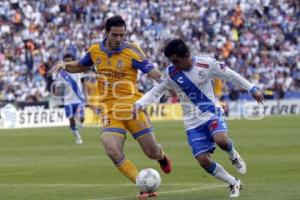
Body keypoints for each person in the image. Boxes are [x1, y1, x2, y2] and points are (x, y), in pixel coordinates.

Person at [48, 15, 171, 199]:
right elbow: (80, 66)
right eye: (115, 35)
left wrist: (167, 86)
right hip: (109, 110)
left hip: (133, 107)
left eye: (122, 35)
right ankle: (143, 184)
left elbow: (153, 72)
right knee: (111, 148)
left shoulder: (133, 51)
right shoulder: (95, 49)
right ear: (106, 33)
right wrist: (64, 66)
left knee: (151, 151)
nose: (119, 39)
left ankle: (161, 156)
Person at [135, 39, 265, 198]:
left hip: (211, 112)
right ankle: (233, 182)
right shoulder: (171, 73)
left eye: (176, 61)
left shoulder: (207, 64)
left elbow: (230, 75)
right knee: (203, 160)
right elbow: (156, 91)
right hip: (192, 123)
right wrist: (139, 104)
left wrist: (251, 88)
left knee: (222, 140)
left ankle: (233, 155)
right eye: (172, 62)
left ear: (186, 55)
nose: (174, 65)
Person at [52, 54, 85, 144]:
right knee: (71, 119)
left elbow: (83, 83)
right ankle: (77, 136)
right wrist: (56, 94)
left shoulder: (78, 71)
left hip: (79, 99)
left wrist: (86, 94)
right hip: (68, 100)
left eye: (70, 60)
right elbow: (58, 87)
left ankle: (80, 124)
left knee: (82, 118)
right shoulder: (61, 74)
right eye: (66, 60)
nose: (68, 62)